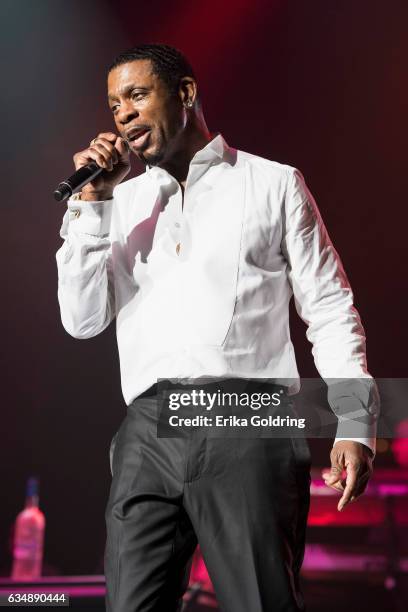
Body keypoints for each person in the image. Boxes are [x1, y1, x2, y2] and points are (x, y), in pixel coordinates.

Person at [56, 43, 379, 612]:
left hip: (246, 419)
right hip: (147, 430)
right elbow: (82, 322)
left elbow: (329, 305)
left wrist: (355, 420)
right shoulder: (118, 203)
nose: (124, 115)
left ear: (185, 94)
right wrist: (93, 203)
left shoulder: (272, 184)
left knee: (259, 600)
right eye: (114, 106)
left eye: (137, 95)